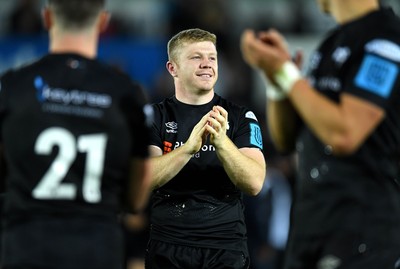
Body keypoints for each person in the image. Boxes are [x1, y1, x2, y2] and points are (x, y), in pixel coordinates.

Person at [240, 0, 400, 268]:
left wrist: (286, 72)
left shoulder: (385, 41)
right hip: (313, 227)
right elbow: (286, 139)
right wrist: (277, 81)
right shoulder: (332, 43)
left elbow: (345, 134)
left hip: (363, 233)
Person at [0, 0, 153, 268]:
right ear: (103, 22)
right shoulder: (127, 94)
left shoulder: (13, 86)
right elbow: (138, 195)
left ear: (47, 18)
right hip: (97, 250)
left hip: (25, 247)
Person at [145, 28, 266, 269]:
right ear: (173, 68)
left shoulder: (242, 116)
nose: (207, 64)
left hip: (225, 248)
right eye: (196, 57)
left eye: (212, 57)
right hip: (168, 246)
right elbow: (144, 177)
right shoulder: (154, 117)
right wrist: (189, 148)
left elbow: (254, 182)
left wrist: (221, 142)